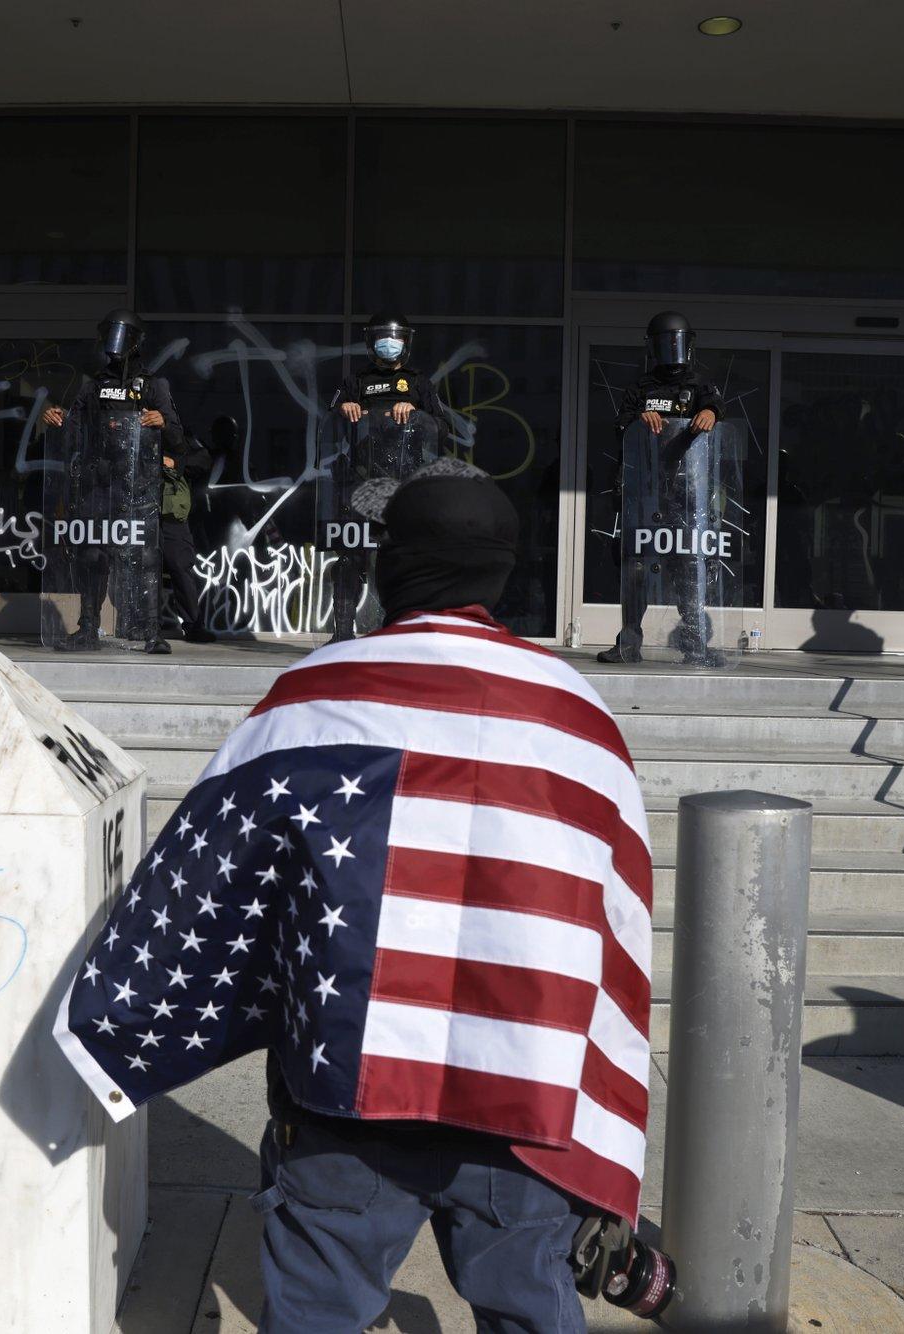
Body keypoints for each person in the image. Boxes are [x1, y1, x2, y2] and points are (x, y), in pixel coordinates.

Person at [55, 463, 657, 1334]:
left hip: (344, 1089)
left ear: (391, 567)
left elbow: (208, 884)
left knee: (321, 1313)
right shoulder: (581, 719)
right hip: (523, 1100)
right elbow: (618, 934)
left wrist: (122, 1023)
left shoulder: (314, 697)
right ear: (504, 574)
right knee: (532, 1308)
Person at [41, 309, 187, 653]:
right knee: (92, 556)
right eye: (110, 333)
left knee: (146, 557)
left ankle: (152, 631)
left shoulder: (152, 386)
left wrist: (161, 422)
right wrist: (56, 418)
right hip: (99, 485)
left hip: (138, 487)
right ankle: (88, 627)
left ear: (136, 341)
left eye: (121, 334)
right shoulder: (95, 386)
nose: (114, 341)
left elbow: (179, 439)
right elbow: (73, 430)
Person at [598, 310, 723, 665]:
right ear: (653, 347)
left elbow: (717, 405)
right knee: (635, 567)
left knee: (688, 567)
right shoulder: (640, 387)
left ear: (688, 344)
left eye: (677, 342)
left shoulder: (700, 383)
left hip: (685, 495)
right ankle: (629, 644)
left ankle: (695, 644)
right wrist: (639, 419)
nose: (672, 350)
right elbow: (620, 425)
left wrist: (711, 413)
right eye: (665, 343)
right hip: (644, 491)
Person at [324, 313, 457, 644]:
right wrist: (344, 410)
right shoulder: (355, 382)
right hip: (360, 483)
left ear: (406, 342)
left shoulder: (418, 383)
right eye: (382, 337)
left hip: (403, 485)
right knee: (348, 559)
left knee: (398, 560)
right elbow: (329, 418)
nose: (389, 343)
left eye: (395, 337)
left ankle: (397, 633)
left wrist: (417, 414)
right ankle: (342, 635)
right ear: (370, 342)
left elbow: (442, 429)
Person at [159, 431, 216, 644]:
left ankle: (193, 625)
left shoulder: (178, 435)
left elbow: (203, 459)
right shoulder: (130, 427)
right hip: (138, 512)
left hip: (171, 515)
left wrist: (174, 461)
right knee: (142, 569)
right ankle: (145, 626)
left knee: (181, 568)